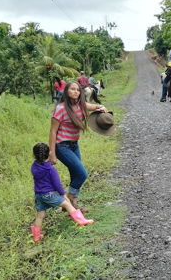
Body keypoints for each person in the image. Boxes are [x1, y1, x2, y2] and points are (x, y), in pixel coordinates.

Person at [49, 81, 107, 212]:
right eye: (72, 89)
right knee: (82, 173)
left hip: (74, 145)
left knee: (75, 174)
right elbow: (52, 131)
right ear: (66, 92)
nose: (76, 91)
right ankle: (68, 199)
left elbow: (94, 106)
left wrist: (101, 107)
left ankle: (73, 205)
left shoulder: (81, 106)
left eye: (78, 90)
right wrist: (52, 153)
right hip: (62, 146)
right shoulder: (60, 108)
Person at [30, 142, 94, 242]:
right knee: (67, 205)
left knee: (40, 216)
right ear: (50, 153)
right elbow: (57, 184)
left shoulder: (34, 166)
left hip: (38, 195)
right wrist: (63, 195)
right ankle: (81, 221)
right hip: (49, 195)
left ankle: (36, 236)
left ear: (34, 155)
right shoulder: (51, 169)